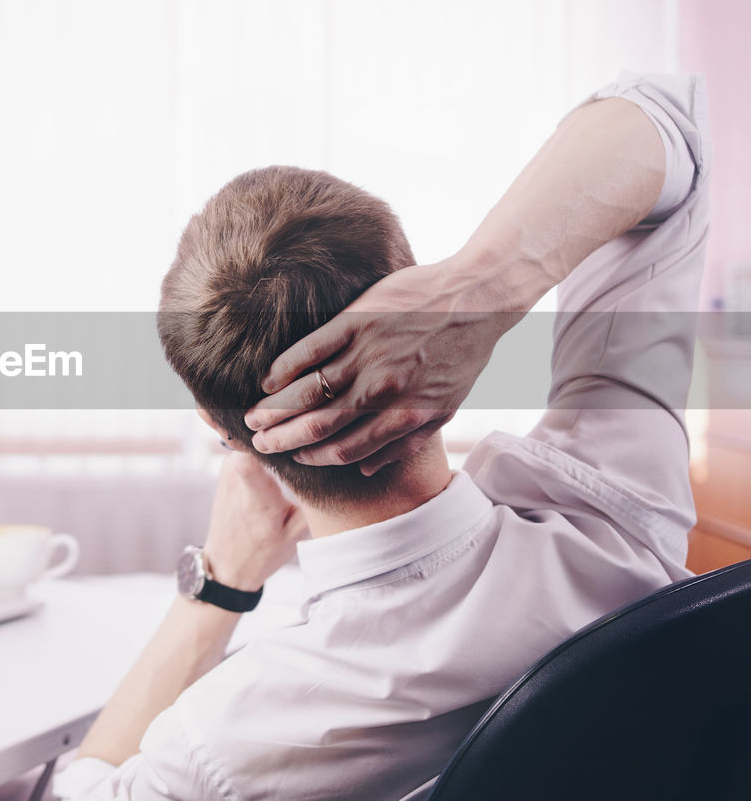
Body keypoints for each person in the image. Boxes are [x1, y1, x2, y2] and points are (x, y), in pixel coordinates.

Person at [52, 72, 709, 801]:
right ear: (417, 306)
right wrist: (480, 290)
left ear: (220, 429)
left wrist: (216, 589)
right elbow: (663, 119)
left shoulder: (227, 745)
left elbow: (75, 791)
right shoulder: (613, 515)